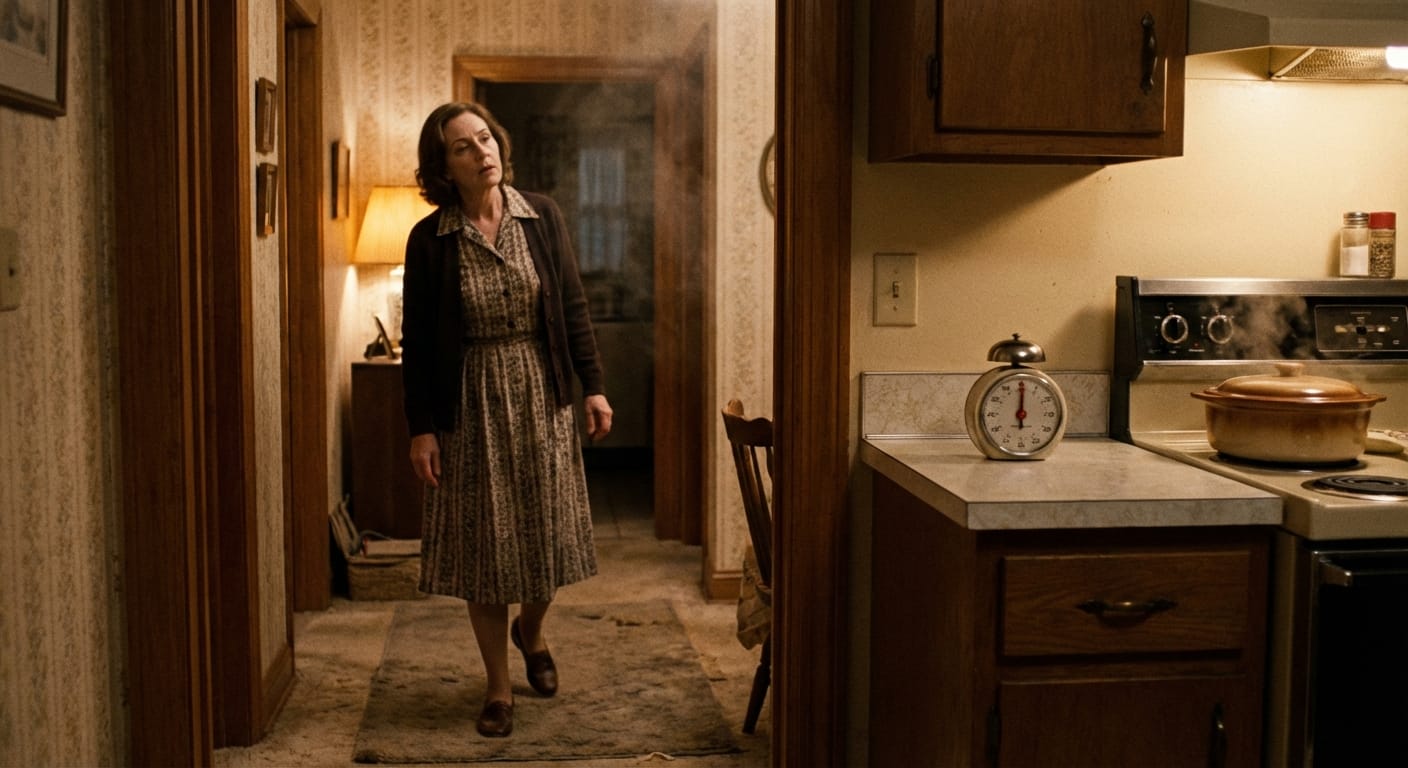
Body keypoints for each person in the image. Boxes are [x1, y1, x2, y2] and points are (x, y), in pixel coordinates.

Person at [400, 101, 613, 738]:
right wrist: (421, 427)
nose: (481, 152)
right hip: (469, 405)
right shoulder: (429, 239)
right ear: (444, 166)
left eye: (485, 138)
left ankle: (533, 630)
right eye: (463, 147)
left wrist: (593, 387)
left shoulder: (541, 216)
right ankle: (498, 687)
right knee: (485, 550)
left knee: (548, 538)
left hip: (542, 397)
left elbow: (572, 306)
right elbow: (417, 342)